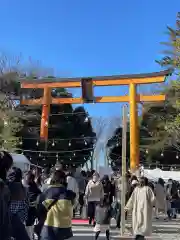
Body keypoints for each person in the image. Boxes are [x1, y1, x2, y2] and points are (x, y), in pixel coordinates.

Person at [37, 170, 76, 240]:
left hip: (50, 226)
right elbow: (74, 206)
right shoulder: (70, 194)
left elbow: (40, 209)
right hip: (65, 227)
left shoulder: (49, 192)